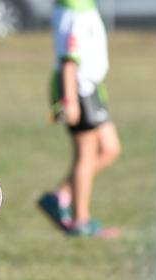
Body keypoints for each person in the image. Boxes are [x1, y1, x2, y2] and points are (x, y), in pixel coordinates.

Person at [38, 0, 121, 238]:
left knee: (109, 149)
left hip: (91, 88)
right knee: (85, 155)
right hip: (78, 90)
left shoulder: (85, 6)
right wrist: (70, 99)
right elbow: (67, 58)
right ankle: (81, 220)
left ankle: (59, 195)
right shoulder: (71, 10)